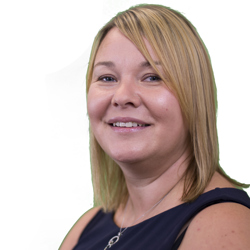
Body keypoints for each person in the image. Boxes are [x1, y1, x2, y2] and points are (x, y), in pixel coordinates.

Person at [59, 4, 250, 250]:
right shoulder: (88, 225)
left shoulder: (221, 225)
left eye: (152, 77)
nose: (122, 96)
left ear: (195, 96)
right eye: (107, 78)